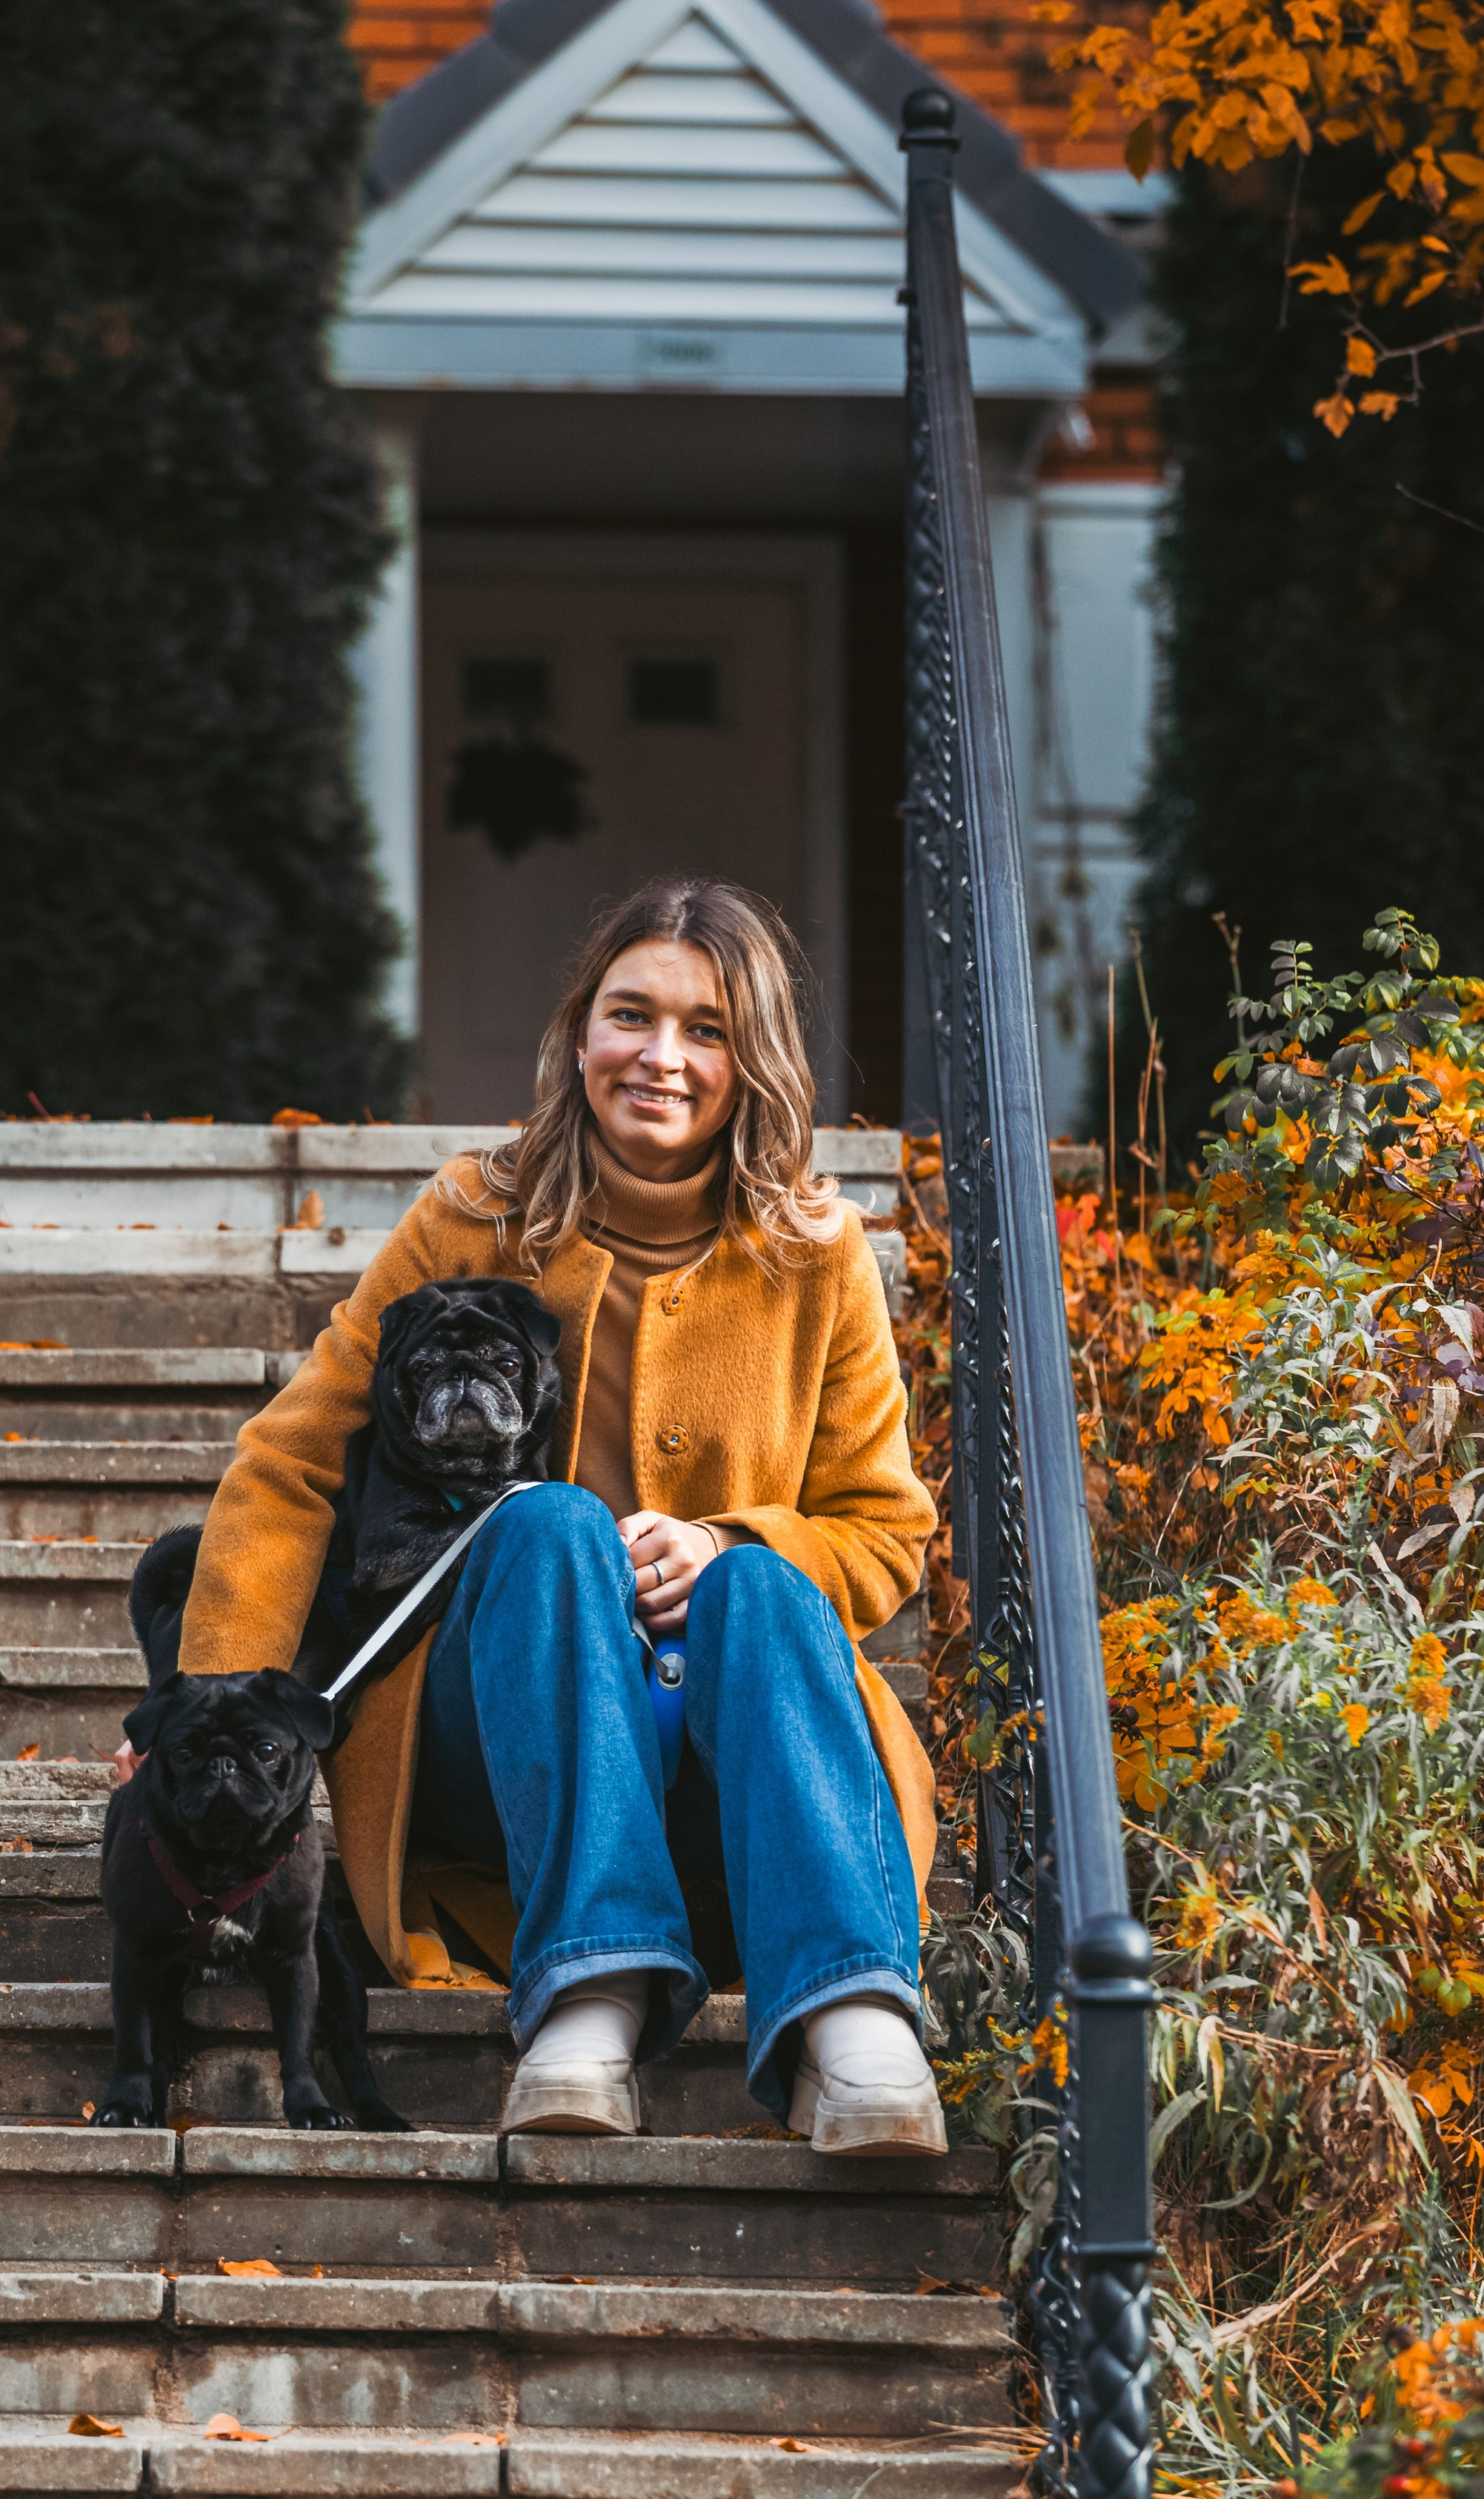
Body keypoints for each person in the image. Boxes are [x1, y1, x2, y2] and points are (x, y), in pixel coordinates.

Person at [177, 875, 944, 2154]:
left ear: (753, 1059)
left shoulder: (818, 1253)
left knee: (760, 1580)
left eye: (705, 1029)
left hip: (736, 1757)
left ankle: (855, 2018)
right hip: (497, 1753)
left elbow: (883, 1529)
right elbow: (295, 1461)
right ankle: (588, 1989)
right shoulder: (474, 1214)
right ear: (578, 1032)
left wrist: (729, 1539)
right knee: (545, 1527)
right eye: (629, 1016)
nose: (661, 1057)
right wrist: (215, 1703)